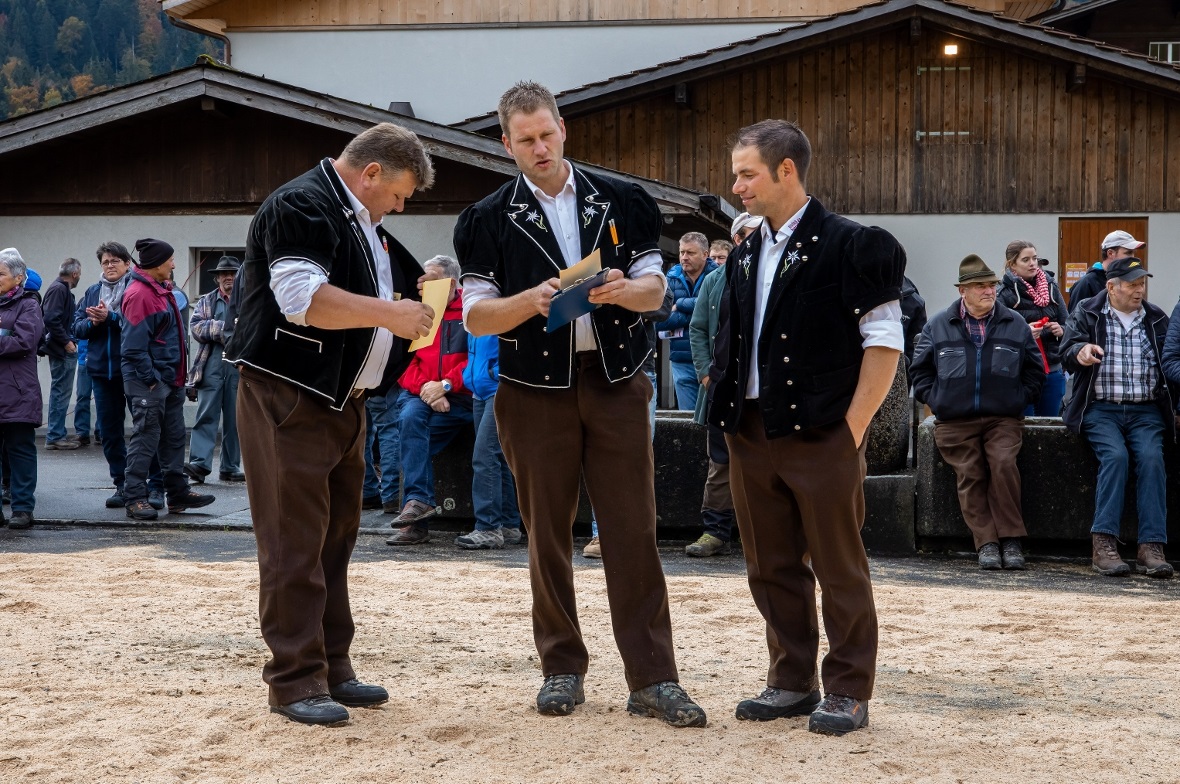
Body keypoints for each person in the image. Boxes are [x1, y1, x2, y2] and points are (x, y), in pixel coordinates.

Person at [455, 81, 706, 727]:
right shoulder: (484, 217)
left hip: (617, 380)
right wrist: (529, 303)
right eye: (525, 139)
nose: (539, 147)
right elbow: (478, 317)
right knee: (546, 534)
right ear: (506, 143)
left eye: (547, 133)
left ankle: (653, 678)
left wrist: (629, 288)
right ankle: (561, 667)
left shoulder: (623, 198)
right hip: (533, 390)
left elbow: (656, 292)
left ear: (563, 128)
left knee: (633, 530)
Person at [223, 123, 435, 726]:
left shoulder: (360, 220)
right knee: (295, 542)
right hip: (291, 395)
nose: (399, 206)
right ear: (371, 173)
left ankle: (331, 666)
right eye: (399, 194)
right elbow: (301, 299)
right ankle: (293, 681)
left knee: (335, 542)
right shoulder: (300, 204)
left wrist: (410, 291)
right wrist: (392, 312)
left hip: (341, 400)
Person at [709, 119, 905, 736]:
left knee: (838, 564)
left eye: (747, 173)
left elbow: (885, 343)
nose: (736, 185)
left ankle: (848, 689)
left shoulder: (853, 243)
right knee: (769, 564)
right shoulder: (744, 252)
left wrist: (851, 431)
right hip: (751, 431)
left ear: (786, 170)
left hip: (823, 434)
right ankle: (791, 680)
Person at [911, 255, 1045, 570]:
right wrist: (937, 400)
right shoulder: (938, 325)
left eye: (991, 285)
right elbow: (919, 371)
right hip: (954, 420)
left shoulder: (1014, 324)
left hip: (1002, 418)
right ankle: (986, 543)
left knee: (1002, 464)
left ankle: (1011, 541)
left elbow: (1035, 372)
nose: (989, 291)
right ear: (963, 291)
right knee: (970, 473)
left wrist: (1017, 400)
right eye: (980, 286)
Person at [1061, 257, 1174, 579]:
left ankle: (1151, 546)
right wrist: (1080, 351)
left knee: (1152, 459)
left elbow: (1169, 364)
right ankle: (1104, 543)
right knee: (1115, 456)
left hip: (1146, 409)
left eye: (1142, 284)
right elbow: (1066, 351)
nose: (1139, 290)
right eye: (1132, 284)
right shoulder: (1087, 310)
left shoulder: (1155, 318)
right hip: (1100, 408)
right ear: (1111, 286)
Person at [120, 239, 215, 522]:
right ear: (156, 264)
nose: (174, 265)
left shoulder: (162, 291)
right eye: (170, 260)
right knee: (145, 439)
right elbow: (133, 348)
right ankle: (135, 497)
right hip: (150, 383)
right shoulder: (140, 295)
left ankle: (176, 493)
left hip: (170, 381)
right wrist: (152, 381)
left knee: (173, 437)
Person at [387, 254, 474, 545]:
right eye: (423, 278)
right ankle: (418, 507)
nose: (423, 283)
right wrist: (428, 388)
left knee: (413, 438)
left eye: (431, 278)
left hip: (462, 397)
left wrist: (445, 386)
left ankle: (416, 522)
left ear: (451, 282)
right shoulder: (419, 311)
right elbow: (402, 362)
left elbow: (478, 358)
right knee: (410, 420)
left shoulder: (470, 309)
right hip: (420, 394)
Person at [73, 242, 165, 509]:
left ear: (128, 264)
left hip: (135, 372)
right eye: (105, 262)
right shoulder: (91, 292)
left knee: (145, 431)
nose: (110, 265)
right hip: (102, 372)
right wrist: (92, 322)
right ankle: (123, 485)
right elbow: (76, 328)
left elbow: (141, 326)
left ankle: (156, 485)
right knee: (111, 434)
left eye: (115, 261)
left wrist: (111, 318)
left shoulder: (137, 290)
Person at [685, 235, 735, 557]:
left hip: (762, 387)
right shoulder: (715, 281)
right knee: (720, 460)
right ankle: (715, 531)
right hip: (721, 384)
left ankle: (767, 532)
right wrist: (705, 373)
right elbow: (698, 328)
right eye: (742, 235)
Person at [454, 330, 524, 550]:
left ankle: (488, 528)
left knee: (484, 456)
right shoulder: (476, 299)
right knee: (496, 457)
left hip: (498, 388)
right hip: (480, 388)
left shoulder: (499, 299)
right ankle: (508, 525)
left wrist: (497, 374)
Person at [184, 256, 244, 483]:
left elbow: (253, 329)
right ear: (217, 278)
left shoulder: (248, 299)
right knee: (206, 415)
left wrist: (220, 331)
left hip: (238, 365)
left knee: (235, 418)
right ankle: (199, 465)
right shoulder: (206, 300)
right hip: (211, 363)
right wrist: (229, 330)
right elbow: (197, 327)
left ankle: (230, 467)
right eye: (224, 274)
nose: (229, 277)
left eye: (233, 273)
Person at [0, 248, 45, 530]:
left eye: (1, 274)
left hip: (18, 392)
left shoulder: (29, 305)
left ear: (18, 279)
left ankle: (23, 509)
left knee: (20, 451)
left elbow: (24, 342)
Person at [998, 241, 1067, 416]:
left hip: (1052, 369)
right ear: (1012, 264)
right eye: (1026, 260)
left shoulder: (1051, 287)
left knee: (1051, 424)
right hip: (1020, 371)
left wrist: (1061, 329)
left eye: (1035, 258)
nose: (1032, 264)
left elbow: (1070, 323)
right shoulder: (1003, 293)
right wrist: (1023, 331)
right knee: (1025, 425)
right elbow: (996, 333)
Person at [656, 232, 718, 411]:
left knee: (713, 419)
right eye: (682, 252)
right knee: (688, 420)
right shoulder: (671, 278)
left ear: (705, 254)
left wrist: (680, 304)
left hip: (711, 359)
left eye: (690, 253)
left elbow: (716, 313)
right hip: (681, 360)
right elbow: (660, 321)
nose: (684, 257)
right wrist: (699, 310)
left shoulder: (718, 276)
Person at [41, 258, 82, 450]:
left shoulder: (60, 289)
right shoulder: (60, 289)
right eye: (79, 273)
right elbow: (50, 318)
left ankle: (57, 434)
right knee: (61, 391)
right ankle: (56, 435)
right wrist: (67, 342)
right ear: (75, 274)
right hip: (61, 349)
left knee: (61, 391)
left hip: (61, 347)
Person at [1067, 230, 1144, 313]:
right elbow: (1074, 322)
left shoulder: (1128, 278)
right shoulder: (1086, 283)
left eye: (1133, 253)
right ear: (1110, 253)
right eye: (1128, 253)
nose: (1132, 258)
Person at [74, 339, 96, 446]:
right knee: (82, 396)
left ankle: (102, 432)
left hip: (101, 360)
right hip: (84, 358)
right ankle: (82, 432)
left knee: (103, 398)